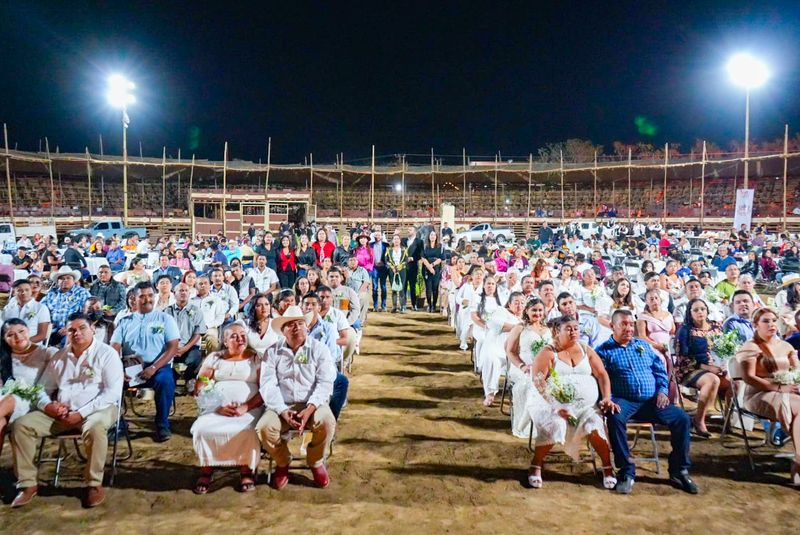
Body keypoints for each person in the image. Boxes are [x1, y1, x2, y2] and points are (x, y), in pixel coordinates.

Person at [9, 313, 123, 508]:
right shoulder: (59, 356)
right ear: (66, 332)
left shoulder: (106, 353)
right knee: (21, 426)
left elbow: (112, 393)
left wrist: (81, 413)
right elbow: (42, 390)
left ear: (92, 329)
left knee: (95, 428)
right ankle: (27, 484)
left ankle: (94, 483)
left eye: (82, 328)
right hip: (63, 413)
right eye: (71, 330)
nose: (76, 333)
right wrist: (50, 406)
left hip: (99, 410)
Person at [596, 310, 697, 495]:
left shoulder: (642, 345)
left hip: (652, 401)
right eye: (624, 324)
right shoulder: (602, 351)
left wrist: (662, 391)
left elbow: (659, 370)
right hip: (624, 400)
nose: (629, 328)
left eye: (631, 324)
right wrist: (608, 400)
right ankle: (626, 472)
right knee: (614, 418)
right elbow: (599, 379)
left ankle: (679, 470)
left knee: (682, 419)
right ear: (612, 326)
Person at [527, 314, 618, 489]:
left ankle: (607, 467)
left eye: (576, 328)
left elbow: (602, 374)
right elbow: (539, 382)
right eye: (568, 328)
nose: (573, 332)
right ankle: (536, 464)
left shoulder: (585, 349)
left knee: (595, 425)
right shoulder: (548, 352)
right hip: (549, 404)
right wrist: (557, 406)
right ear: (557, 331)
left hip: (586, 407)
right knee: (556, 424)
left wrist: (606, 397)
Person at [257, 305, 336, 490]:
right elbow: (268, 385)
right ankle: (283, 462)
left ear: (307, 327)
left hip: (313, 403)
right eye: (290, 324)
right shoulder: (272, 352)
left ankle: (315, 461)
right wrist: (283, 411)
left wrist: (310, 409)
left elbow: (325, 382)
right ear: (283, 331)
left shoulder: (319, 349)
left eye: (300, 323)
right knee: (264, 428)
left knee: (327, 422)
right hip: (282, 404)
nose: (296, 327)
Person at [190, 322, 264, 494]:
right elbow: (200, 386)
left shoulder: (256, 358)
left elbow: (265, 390)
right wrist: (217, 406)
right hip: (217, 407)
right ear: (224, 340)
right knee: (202, 429)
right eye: (234, 336)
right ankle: (207, 467)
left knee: (248, 430)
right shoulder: (215, 358)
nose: (240, 338)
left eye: (243, 335)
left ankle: (246, 470)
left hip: (249, 408)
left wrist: (246, 406)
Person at [735, 307, 800, 486]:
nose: (771, 324)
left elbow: (797, 371)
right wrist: (778, 387)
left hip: (787, 390)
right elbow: (749, 377)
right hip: (758, 394)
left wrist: (794, 383)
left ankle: (799, 461)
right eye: (765, 321)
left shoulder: (786, 346)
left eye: (773, 320)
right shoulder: (751, 347)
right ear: (756, 325)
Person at [111, 282, 180, 442]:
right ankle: (118, 424)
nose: (147, 299)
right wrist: (118, 370)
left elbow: (172, 347)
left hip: (158, 366)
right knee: (110, 380)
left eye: (150, 295)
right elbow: (114, 348)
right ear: (134, 299)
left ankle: (162, 424)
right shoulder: (125, 321)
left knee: (165, 380)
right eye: (142, 296)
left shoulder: (165, 318)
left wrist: (154, 367)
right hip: (130, 368)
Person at [0, 320, 55, 457]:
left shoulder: (47, 353)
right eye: (11, 335)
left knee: (10, 399)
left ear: (28, 331)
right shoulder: (4, 357)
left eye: (21, 331)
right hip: (5, 401)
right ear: (4, 339)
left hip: (33, 399)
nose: (18, 337)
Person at [675, 298, 727, 437]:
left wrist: (722, 364)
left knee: (737, 382)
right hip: (690, 369)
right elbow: (683, 358)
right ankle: (699, 420)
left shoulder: (716, 328)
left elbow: (724, 350)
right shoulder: (685, 330)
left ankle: (728, 419)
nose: (700, 312)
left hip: (717, 367)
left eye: (703, 309)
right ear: (689, 313)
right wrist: (709, 368)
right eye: (696, 310)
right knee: (713, 380)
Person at [506, 298, 553, 437]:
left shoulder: (548, 329)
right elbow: (510, 351)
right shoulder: (519, 328)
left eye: (540, 310)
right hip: (523, 368)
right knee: (531, 384)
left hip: (545, 369)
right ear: (527, 311)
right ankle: (524, 424)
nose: (537, 313)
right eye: (534, 310)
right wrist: (522, 366)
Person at [301, 292, 349, 420]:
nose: (309, 307)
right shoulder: (297, 327)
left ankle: (332, 418)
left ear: (319, 308)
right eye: (306, 304)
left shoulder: (329, 328)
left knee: (341, 381)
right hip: (302, 369)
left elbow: (331, 357)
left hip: (322, 368)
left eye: (313, 304)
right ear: (301, 307)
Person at [480, 291, 524, 407]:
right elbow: (499, 325)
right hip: (495, 347)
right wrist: (519, 328)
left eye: (522, 303)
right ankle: (489, 393)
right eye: (516, 302)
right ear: (509, 304)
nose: (520, 305)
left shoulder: (524, 318)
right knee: (491, 360)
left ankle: (517, 395)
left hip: (514, 351)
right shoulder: (501, 311)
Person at [165, 282, 206, 390]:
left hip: (189, 346)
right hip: (170, 346)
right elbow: (163, 332)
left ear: (189, 293)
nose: (183, 293)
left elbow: (199, 332)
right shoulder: (167, 311)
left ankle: (188, 379)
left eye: (186, 291)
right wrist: (173, 347)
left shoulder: (196, 311)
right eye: (180, 290)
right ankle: (172, 382)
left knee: (194, 358)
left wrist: (185, 348)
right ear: (174, 293)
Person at [41, 266, 91, 346]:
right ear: (58, 281)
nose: (65, 280)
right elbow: (41, 310)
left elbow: (86, 314)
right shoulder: (51, 294)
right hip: (52, 329)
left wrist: (69, 327)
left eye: (68, 278)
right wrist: (46, 323)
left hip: (73, 329)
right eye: (62, 278)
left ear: (73, 280)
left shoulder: (82, 293)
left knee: (66, 343)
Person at [2, 279, 51, 344]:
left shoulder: (41, 308)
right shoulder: (8, 308)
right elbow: (3, 330)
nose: (23, 293)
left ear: (31, 291)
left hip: (31, 346)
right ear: (14, 292)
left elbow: (42, 335)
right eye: (19, 290)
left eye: (27, 290)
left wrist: (22, 344)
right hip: (10, 346)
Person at [193, 274, 228, 353]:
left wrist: (208, 325)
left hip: (209, 328)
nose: (203, 285)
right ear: (196, 286)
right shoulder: (190, 301)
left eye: (205, 283)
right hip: (193, 331)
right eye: (200, 284)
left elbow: (220, 317)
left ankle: (212, 361)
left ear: (209, 285)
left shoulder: (216, 300)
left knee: (211, 339)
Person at [420, 230, 444, 313]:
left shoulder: (440, 246)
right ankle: (429, 305)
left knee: (435, 288)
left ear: (436, 237)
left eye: (434, 235)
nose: (432, 236)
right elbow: (423, 258)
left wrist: (433, 265)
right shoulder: (425, 246)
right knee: (428, 288)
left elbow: (441, 258)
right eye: (431, 235)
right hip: (427, 270)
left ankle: (434, 305)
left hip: (436, 270)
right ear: (428, 236)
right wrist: (429, 267)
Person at [386, 234, 409, 314]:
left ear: (400, 240)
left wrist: (400, 266)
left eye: (397, 239)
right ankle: (394, 306)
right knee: (394, 289)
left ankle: (402, 306)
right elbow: (386, 260)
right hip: (392, 271)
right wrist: (392, 267)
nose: (396, 240)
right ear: (393, 240)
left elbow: (406, 260)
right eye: (394, 239)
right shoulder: (388, 250)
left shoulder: (404, 249)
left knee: (402, 289)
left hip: (402, 270)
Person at [405, 226, 424, 311]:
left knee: (412, 286)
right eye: (408, 230)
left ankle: (414, 304)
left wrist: (413, 258)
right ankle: (403, 305)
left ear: (415, 232)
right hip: (404, 266)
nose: (408, 231)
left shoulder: (419, 242)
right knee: (403, 286)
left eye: (410, 230)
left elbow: (421, 253)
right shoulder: (404, 240)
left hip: (413, 266)